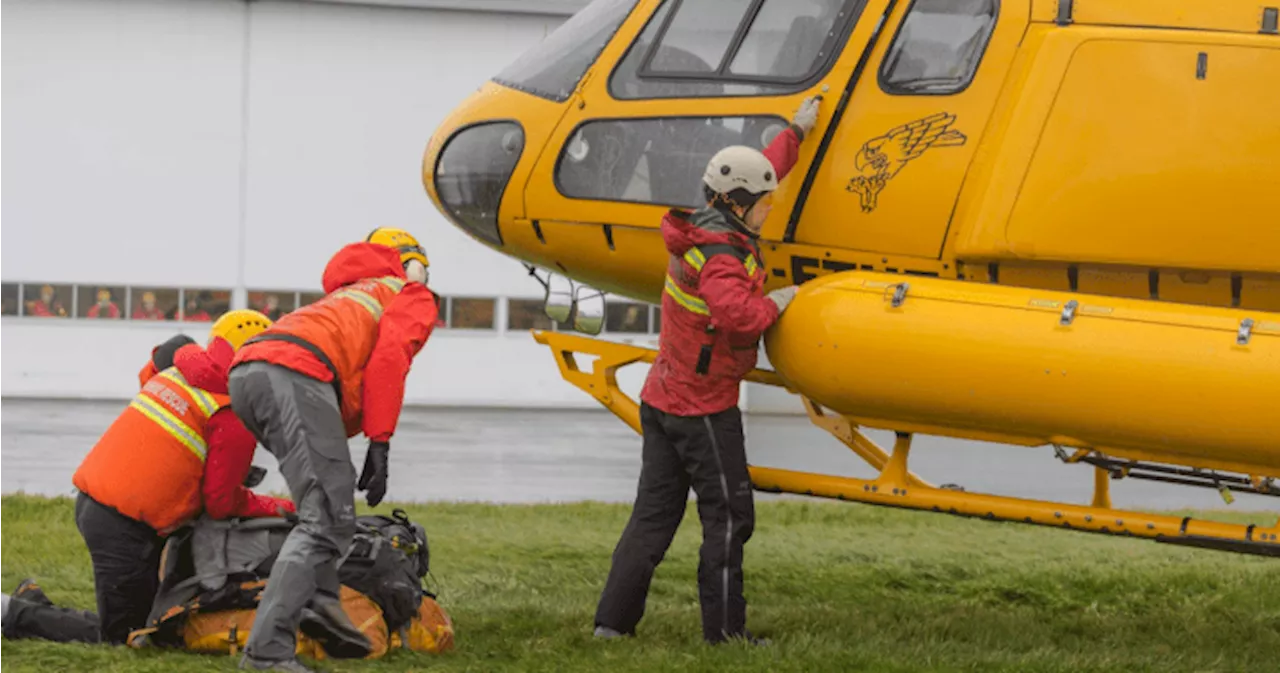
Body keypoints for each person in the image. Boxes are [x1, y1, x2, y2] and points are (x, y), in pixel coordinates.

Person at [592, 97, 821, 645]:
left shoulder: (703, 225)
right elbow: (738, 317)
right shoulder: (723, 254)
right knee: (728, 517)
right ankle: (724, 635)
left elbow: (753, 169)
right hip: (702, 409)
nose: (770, 208)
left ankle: (612, 626)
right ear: (740, 204)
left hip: (664, 397)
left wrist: (795, 133)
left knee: (653, 517)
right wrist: (781, 302)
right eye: (765, 202)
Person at [0, 310, 297, 646]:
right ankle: (13, 612)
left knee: (155, 619)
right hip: (123, 527)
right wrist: (281, 506)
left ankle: (32, 601)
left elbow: (152, 382)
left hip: (100, 505)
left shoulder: (176, 372)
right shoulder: (231, 411)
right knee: (128, 636)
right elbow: (221, 502)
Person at [229, 227, 438, 672]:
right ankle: (266, 655)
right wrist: (380, 441)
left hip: (249, 373)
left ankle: (321, 603)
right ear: (413, 262)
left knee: (325, 508)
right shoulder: (409, 292)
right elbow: (389, 359)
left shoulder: (348, 293)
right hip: (295, 374)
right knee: (324, 519)